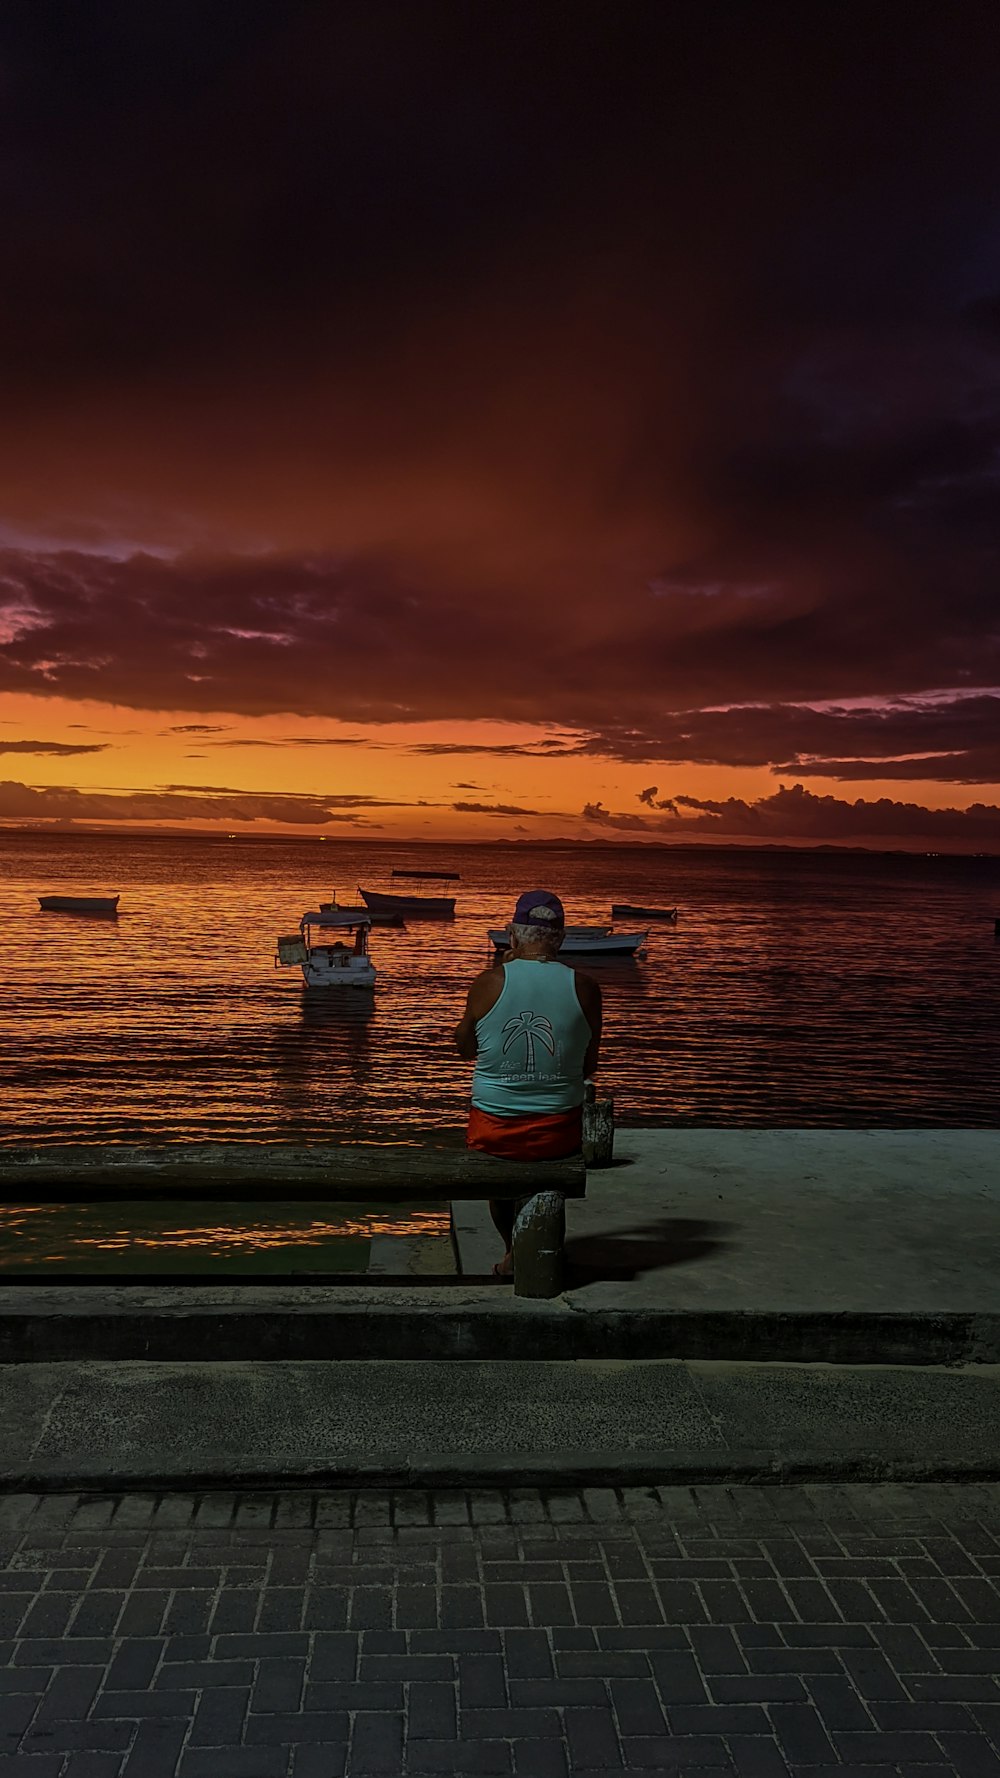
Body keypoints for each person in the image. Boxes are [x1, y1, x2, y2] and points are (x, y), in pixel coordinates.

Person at [453, 889, 602, 1276]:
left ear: (512, 935)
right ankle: (533, 1249)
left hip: (493, 1131)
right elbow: (588, 1066)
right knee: (548, 1171)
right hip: (559, 1131)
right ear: (562, 938)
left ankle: (513, 1252)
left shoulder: (487, 983)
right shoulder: (585, 988)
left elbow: (464, 1049)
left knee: (500, 1176)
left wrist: (502, 973)